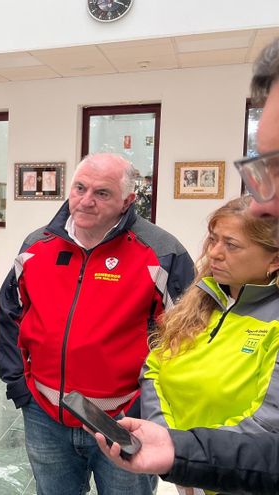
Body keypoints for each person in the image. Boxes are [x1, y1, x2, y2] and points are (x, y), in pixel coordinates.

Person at [92, 37, 279, 494]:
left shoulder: (158, 249)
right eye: (263, 167)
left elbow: (267, 432)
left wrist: (189, 452)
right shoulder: (205, 298)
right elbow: (155, 367)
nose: (260, 205)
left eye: (277, 168)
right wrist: (182, 450)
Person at [0, 152, 195, 495]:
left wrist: (150, 408)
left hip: (124, 420)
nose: (85, 201)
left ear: (127, 201)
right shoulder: (35, 246)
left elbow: (186, 340)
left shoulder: (162, 253)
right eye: (79, 188)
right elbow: (11, 315)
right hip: (45, 415)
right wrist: (18, 385)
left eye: (102, 193)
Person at [139, 196, 279, 494]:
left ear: (275, 259)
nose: (214, 253)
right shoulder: (202, 301)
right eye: (213, 240)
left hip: (237, 481)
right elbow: (153, 370)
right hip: (186, 470)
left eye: (232, 245)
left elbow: (268, 426)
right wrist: (170, 443)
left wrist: (189, 458)